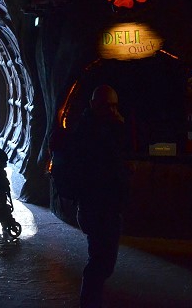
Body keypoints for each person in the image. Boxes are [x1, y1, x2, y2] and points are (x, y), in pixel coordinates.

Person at [74, 85, 130, 308]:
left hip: (107, 206)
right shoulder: (91, 132)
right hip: (97, 207)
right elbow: (107, 165)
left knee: (102, 261)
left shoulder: (99, 128)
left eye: (114, 106)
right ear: (93, 105)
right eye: (107, 106)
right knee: (100, 261)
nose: (112, 110)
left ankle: (90, 301)